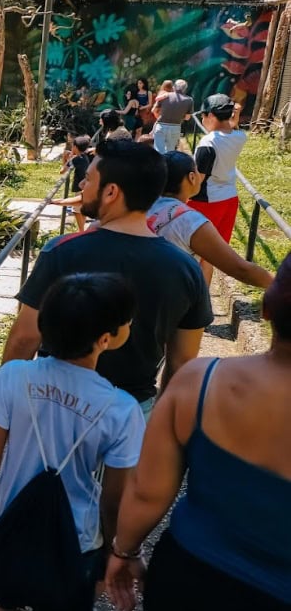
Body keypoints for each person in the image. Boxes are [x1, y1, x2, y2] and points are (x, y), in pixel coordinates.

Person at [105, 252, 291, 611]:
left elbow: (146, 492)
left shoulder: (200, 381)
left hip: (190, 578)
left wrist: (123, 551)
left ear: (266, 309)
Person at [3, 139, 212, 414]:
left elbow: (24, 338)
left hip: (54, 404)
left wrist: (5, 403)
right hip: (132, 408)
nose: (81, 186)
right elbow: (182, 361)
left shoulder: (63, 251)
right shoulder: (186, 268)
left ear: (111, 191)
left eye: (88, 179)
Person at [0, 273, 145, 611]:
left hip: (10, 522)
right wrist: (118, 551)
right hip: (76, 542)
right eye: (126, 322)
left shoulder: (14, 375)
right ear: (105, 339)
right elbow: (114, 500)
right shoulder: (121, 409)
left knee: (3, 602)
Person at [149, 151, 270, 288]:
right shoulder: (190, 221)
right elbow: (241, 269)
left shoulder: (140, 207)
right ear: (192, 177)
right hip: (169, 299)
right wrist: (279, 284)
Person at [187, 94, 245, 247]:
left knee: (192, 249)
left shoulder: (209, 142)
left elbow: (198, 179)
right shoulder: (239, 137)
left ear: (211, 115)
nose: (202, 120)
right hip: (229, 199)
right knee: (212, 252)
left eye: (203, 116)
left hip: (206, 202)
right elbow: (231, 126)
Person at [151, 79, 194, 153]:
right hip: (175, 127)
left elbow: (154, 110)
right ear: (185, 89)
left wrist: (160, 117)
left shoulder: (164, 96)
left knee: (158, 151)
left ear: (174, 87)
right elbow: (187, 117)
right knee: (170, 152)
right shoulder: (189, 100)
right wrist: (179, 115)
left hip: (161, 126)